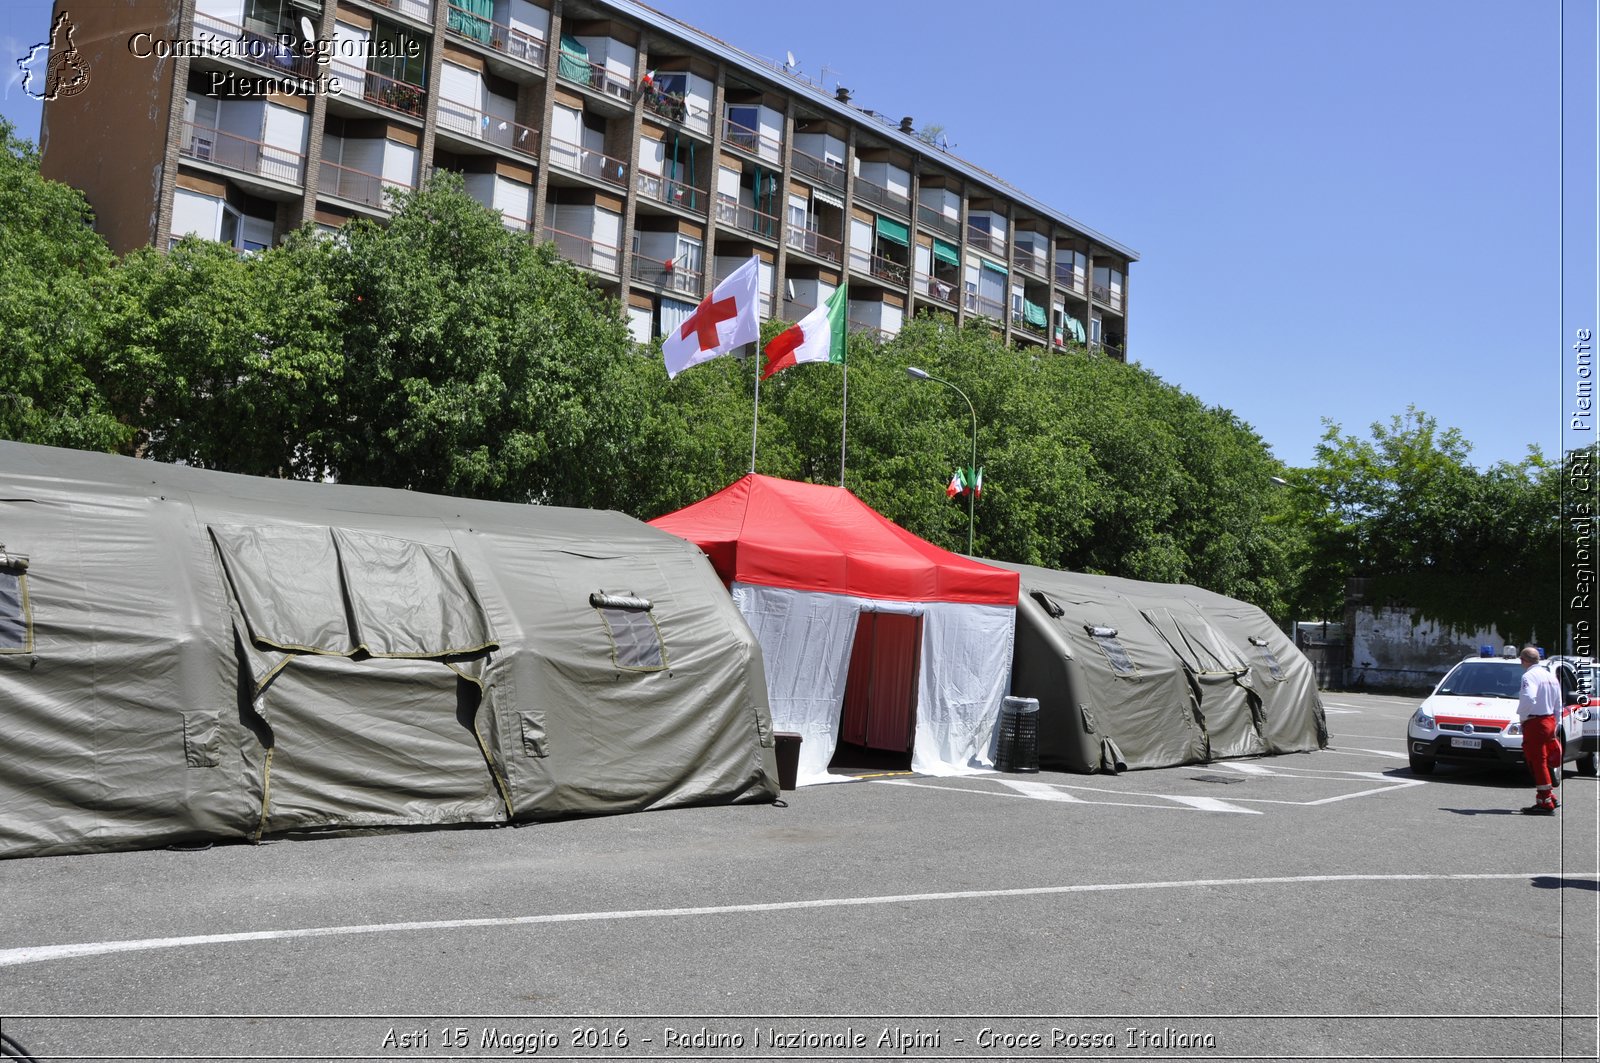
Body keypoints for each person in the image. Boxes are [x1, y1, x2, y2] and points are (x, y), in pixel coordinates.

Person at [1516, 646, 1562, 814]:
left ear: (1523, 660)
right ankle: (1549, 796)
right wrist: (1555, 723)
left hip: (1536, 721)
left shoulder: (1529, 675)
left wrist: (1523, 717)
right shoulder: (1550, 676)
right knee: (1543, 760)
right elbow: (1558, 703)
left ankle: (1545, 801)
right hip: (1549, 720)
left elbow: (1528, 697)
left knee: (1536, 761)